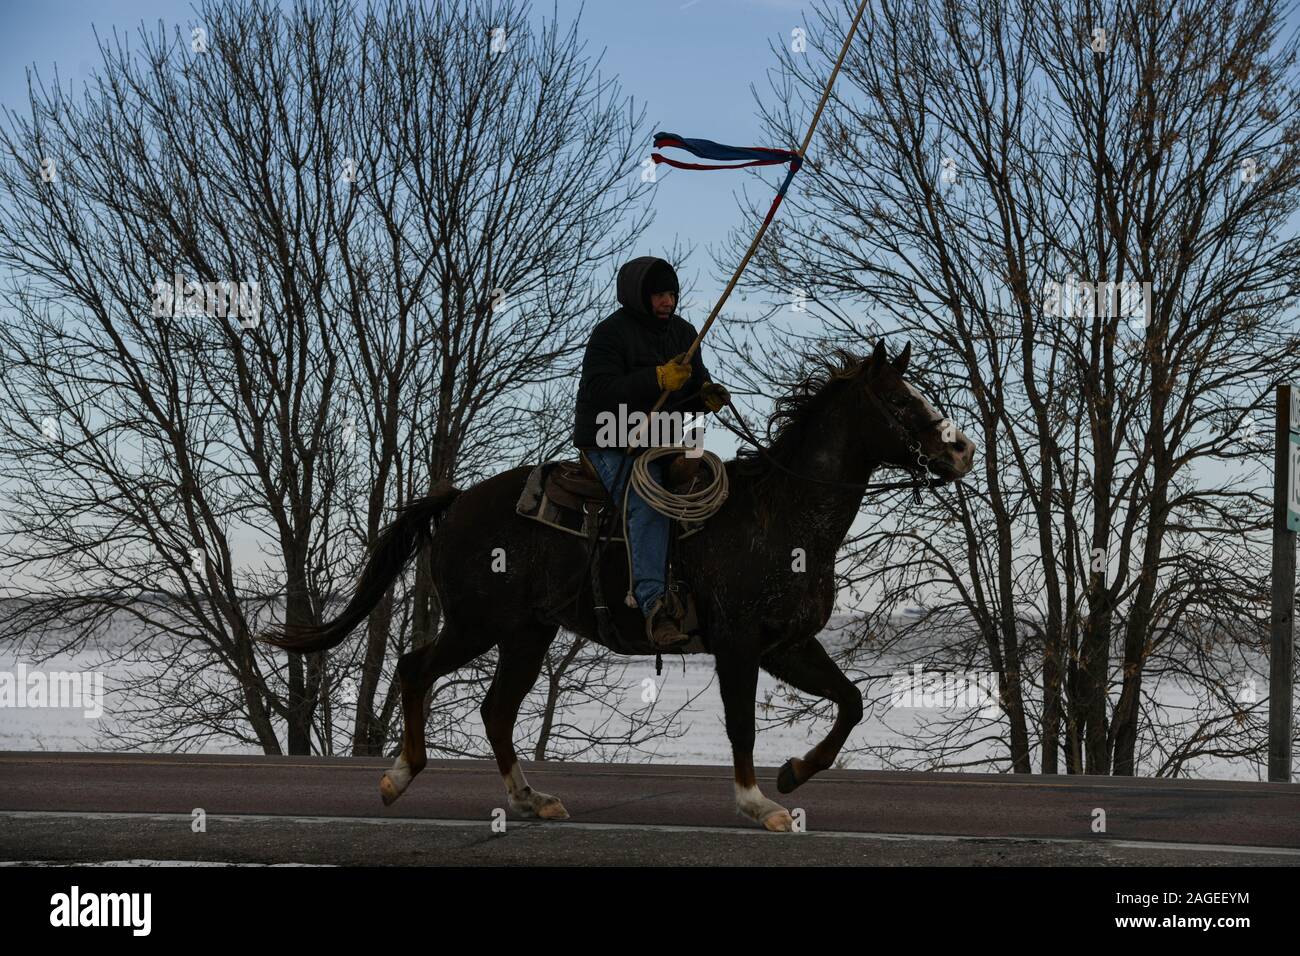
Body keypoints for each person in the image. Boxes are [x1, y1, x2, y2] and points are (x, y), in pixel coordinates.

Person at [573, 257, 729, 649]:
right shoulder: (609, 334)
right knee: (648, 499)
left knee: (714, 489)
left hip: (668, 439)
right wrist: (655, 378)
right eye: (660, 294)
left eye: (672, 294)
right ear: (640, 296)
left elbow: (693, 391)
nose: (667, 302)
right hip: (612, 440)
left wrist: (705, 397)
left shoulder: (685, 333)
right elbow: (599, 390)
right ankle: (654, 606)